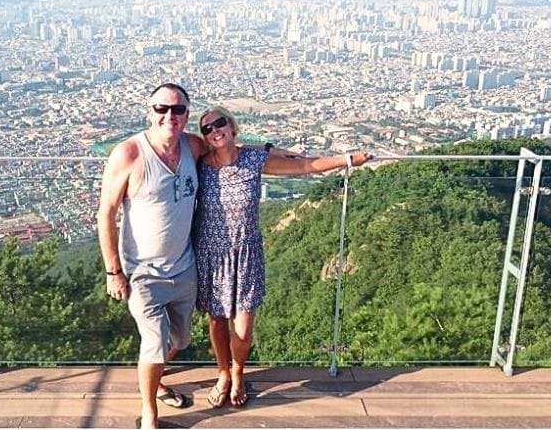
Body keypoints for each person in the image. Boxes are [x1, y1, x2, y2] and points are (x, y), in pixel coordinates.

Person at [193, 106, 373, 409]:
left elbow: (303, 166)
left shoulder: (252, 159)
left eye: (219, 123)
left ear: (232, 126)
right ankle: (223, 373)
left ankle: (238, 372)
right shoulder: (200, 164)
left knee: (243, 328)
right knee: (217, 320)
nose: (214, 130)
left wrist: (346, 160)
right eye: (206, 128)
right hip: (211, 255)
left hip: (246, 253)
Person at [96, 83, 208, 429]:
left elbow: (231, 149)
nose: (169, 116)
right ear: (150, 112)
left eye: (177, 109)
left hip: (184, 265)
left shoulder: (193, 146)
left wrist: (292, 159)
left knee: (181, 340)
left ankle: (154, 377)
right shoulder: (129, 153)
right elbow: (106, 213)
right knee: (155, 341)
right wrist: (113, 271)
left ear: (187, 114)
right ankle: (149, 413)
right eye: (162, 108)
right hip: (142, 271)